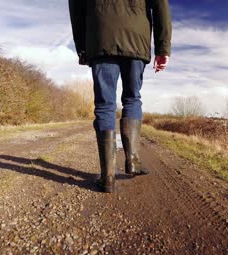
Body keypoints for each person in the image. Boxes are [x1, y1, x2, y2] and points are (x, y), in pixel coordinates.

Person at [69, 0, 172, 193]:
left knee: (105, 104)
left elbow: (76, 10)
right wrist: (162, 48)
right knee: (132, 98)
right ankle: (132, 160)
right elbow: (160, 7)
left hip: (100, 37)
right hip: (136, 39)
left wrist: (82, 47)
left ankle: (107, 177)